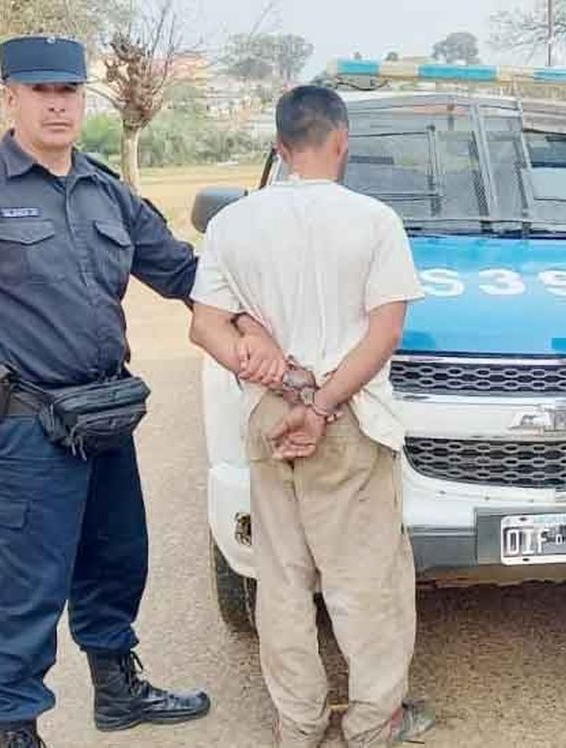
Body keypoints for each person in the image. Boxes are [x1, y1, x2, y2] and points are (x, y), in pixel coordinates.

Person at [0, 36, 283, 747]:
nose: (58, 105)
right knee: (23, 590)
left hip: (103, 417)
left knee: (116, 559)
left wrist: (245, 316)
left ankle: (117, 691)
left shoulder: (105, 189)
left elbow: (177, 268)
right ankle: (16, 729)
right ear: (9, 97)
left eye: (68, 91)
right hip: (24, 427)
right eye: (41, 92)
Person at [188, 85, 433, 748]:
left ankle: (297, 724)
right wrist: (322, 407)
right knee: (364, 584)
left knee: (284, 581)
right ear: (342, 140)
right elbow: (384, 335)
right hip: (347, 420)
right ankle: (373, 722)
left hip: (271, 419)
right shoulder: (375, 220)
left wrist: (256, 363)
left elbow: (204, 327)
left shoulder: (233, 225)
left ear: (279, 147)